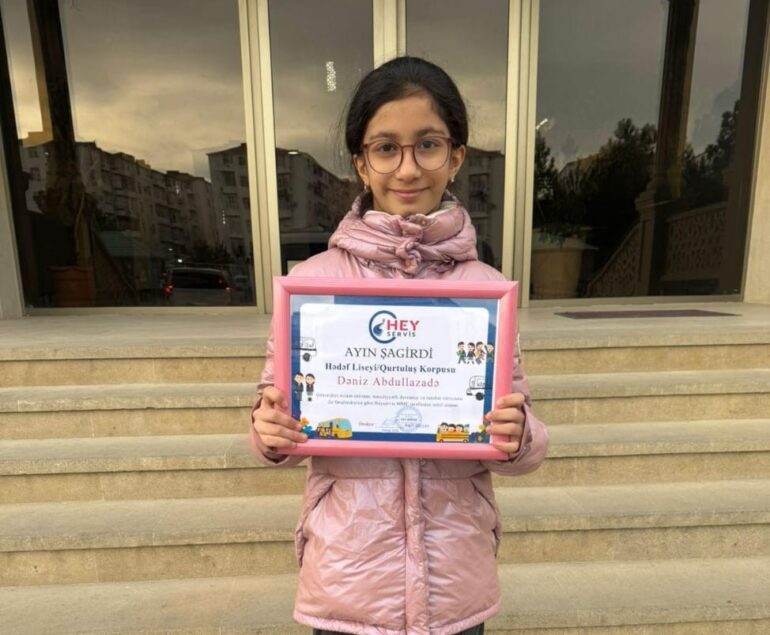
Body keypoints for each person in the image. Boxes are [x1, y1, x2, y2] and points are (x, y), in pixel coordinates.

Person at [250, 56, 548, 635]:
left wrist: (519, 437)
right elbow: (273, 419)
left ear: (456, 156)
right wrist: (269, 429)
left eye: (428, 145)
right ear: (361, 163)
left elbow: (523, 433)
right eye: (386, 148)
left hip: (454, 581)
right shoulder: (313, 287)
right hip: (347, 579)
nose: (407, 168)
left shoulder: (484, 294)